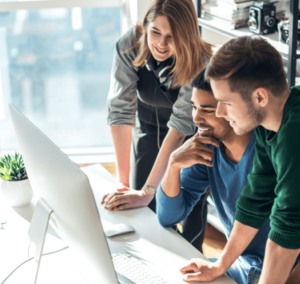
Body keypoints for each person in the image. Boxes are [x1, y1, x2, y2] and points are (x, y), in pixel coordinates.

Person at [179, 36, 300, 284]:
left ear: (259, 97)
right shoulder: (271, 123)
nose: (221, 113)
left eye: (226, 103)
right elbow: (256, 198)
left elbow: (288, 229)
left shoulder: (294, 135)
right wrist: (219, 265)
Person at [105, 0, 212, 251]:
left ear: (186, 37)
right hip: (149, 127)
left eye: (171, 37)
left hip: (189, 135)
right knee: (140, 203)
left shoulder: (201, 61)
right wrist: (124, 185)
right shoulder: (129, 45)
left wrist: (148, 191)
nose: (161, 45)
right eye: (155, 32)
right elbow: (121, 112)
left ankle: (190, 256)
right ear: (146, 27)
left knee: (185, 201)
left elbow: (179, 127)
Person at [157, 69, 277, 284]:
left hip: (278, 272)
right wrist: (174, 164)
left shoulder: (269, 150)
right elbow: (168, 216)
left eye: (207, 109)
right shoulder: (207, 149)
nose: (196, 118)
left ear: (231, 109)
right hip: (240, 266)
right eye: (194, 107)